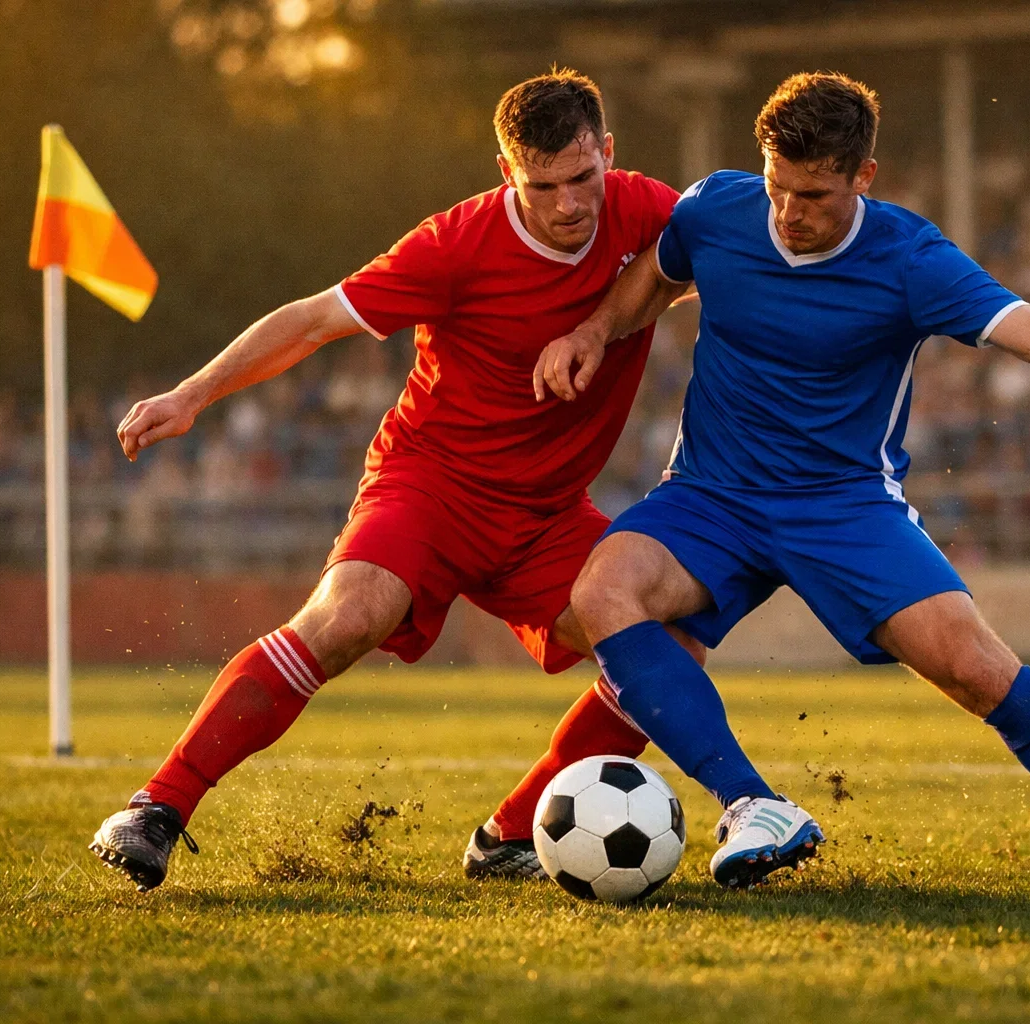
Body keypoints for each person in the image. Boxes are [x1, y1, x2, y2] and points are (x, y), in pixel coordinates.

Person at [532, 72, 1030, 898]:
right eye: (776, 186)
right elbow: (657, 277)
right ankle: (752, 804)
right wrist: (592, 328)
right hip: (713, 495)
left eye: (813, 194)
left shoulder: (911, 259)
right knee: (603, 594)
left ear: (863, 177)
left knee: (977, 671)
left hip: (844, 506)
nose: (788, 213)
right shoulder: (714, 210)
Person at [90, 70, 691, 892]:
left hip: (548, 514)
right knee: (349, 616)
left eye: (582, 178)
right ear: (505, 171)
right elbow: (311, 320)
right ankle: (157, 806)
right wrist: (193, 393)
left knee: (668, 644)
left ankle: (510, 836)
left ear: (608, 153)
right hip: (430, 486)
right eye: (541, 185)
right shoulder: (456, 245)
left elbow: (712, 261)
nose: (567, 205)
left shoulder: (650, 210)